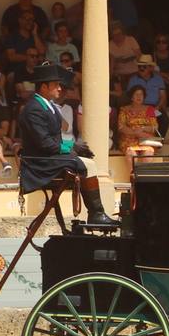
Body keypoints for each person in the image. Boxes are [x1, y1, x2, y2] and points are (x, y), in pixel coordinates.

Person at [16, 64, 118, 225]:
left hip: (48, 157)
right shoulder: (33, 109)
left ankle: (96, 213)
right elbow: (45, 143)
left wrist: (72, 146)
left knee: (88, 163)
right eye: (55, 85)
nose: (59, 88)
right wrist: (71, 148)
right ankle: (96, 214)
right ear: (43, 87)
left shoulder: (48, 106)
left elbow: (52, 140)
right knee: (89, 165)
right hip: (40, 162)